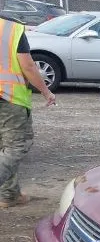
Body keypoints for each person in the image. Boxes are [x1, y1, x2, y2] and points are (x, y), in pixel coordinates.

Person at [0, 15, 57, 209]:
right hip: (7, 96)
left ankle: (10, 194)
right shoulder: (11, 28)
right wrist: (45, 91)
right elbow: (27, 65)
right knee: (18, 144)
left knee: (3, 147)